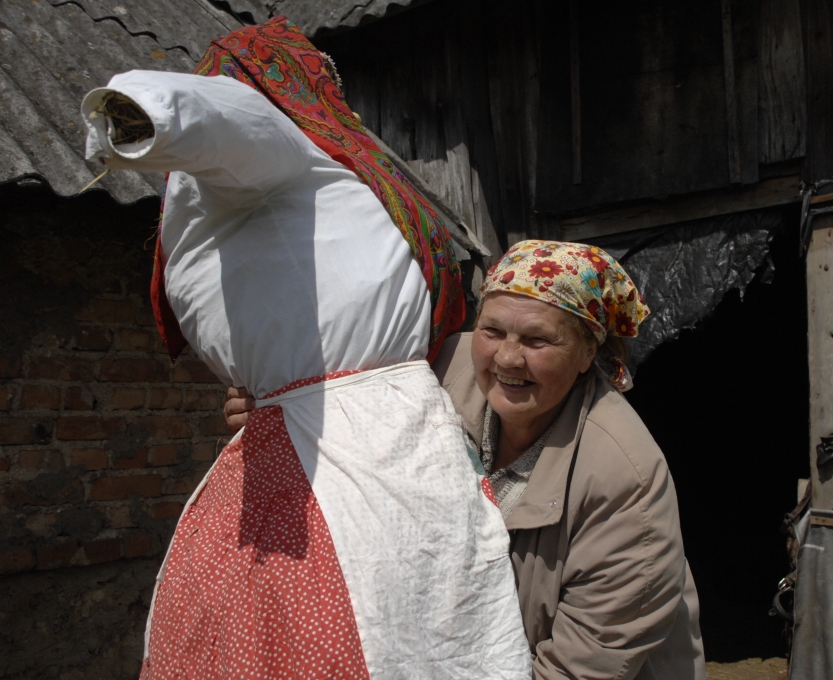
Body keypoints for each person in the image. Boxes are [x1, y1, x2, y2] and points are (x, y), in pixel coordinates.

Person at [82, 20, 530, 680]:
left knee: (429, 634)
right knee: (381, 641)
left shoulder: (290, 180)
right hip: (349, 466)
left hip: (371, 443)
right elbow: (231, 120)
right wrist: (142, 112)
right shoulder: (276, 151)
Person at [227, 240, 707, 680]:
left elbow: (579, 667)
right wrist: (285, 410)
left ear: (586, 353)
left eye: (538, 341)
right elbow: (354, 417)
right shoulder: (438, 369)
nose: (508, 359)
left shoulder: (625, 483)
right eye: (492, 330)